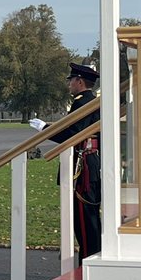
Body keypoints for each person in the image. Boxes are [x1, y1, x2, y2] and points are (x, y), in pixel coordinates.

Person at [38, 63, 102, 263]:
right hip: (88, 163)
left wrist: (45, 129)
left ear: (80, 81)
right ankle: (88, 257)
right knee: (87, 219)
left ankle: (87, 261)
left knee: (84, 220)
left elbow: (72, 134)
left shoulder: (82, 103)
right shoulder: (91, 101)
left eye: (71, 80)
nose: (69, 84)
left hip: (82, 166)